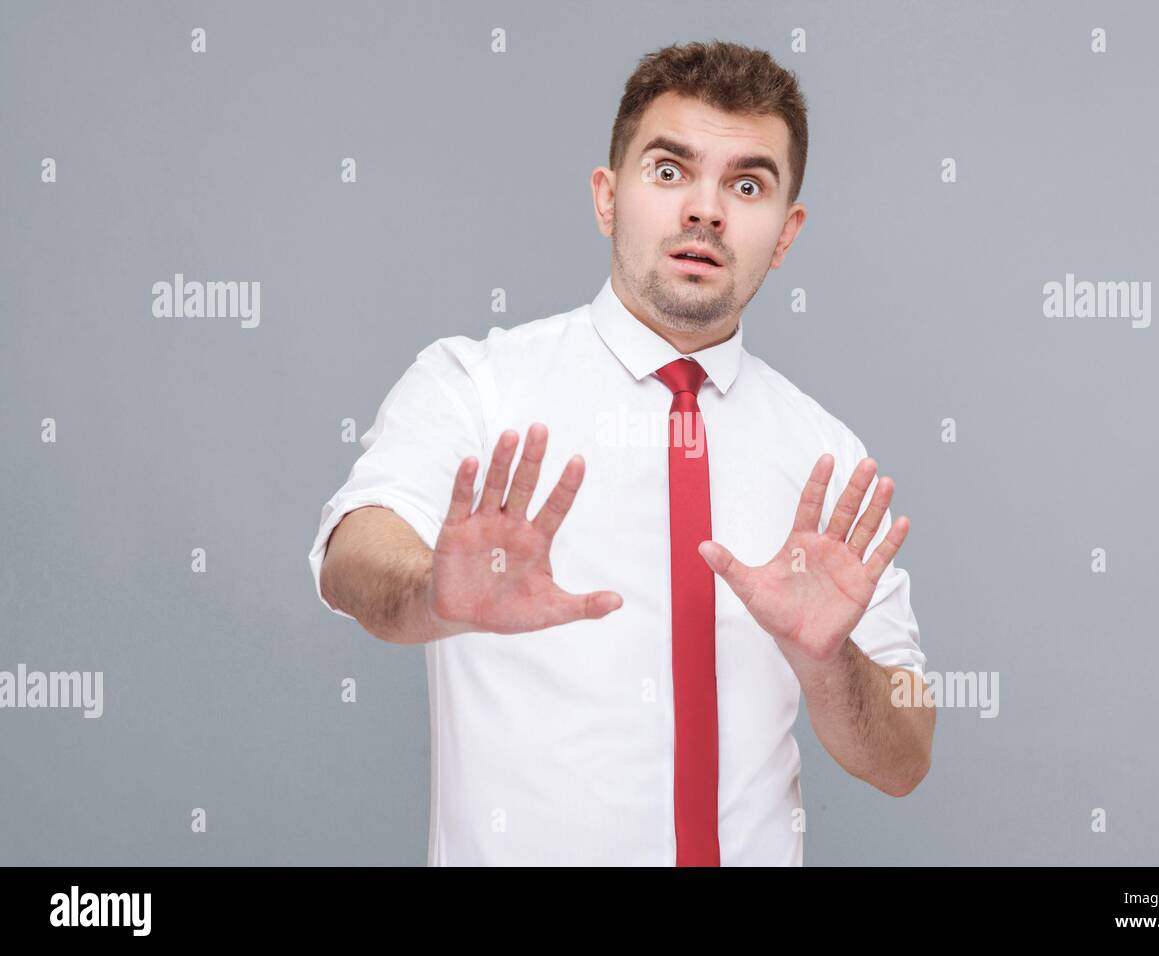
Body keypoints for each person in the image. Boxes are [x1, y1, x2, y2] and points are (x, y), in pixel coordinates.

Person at [308, 40, 935, 866]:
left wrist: (828, 663)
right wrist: (437, 593)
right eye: (670, 171)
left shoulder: (827, 460)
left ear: (786, 234)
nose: (706, 211)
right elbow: (353, 555)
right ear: (608, 197)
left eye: (747, 185)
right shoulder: (476, 384)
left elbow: (904, 756)